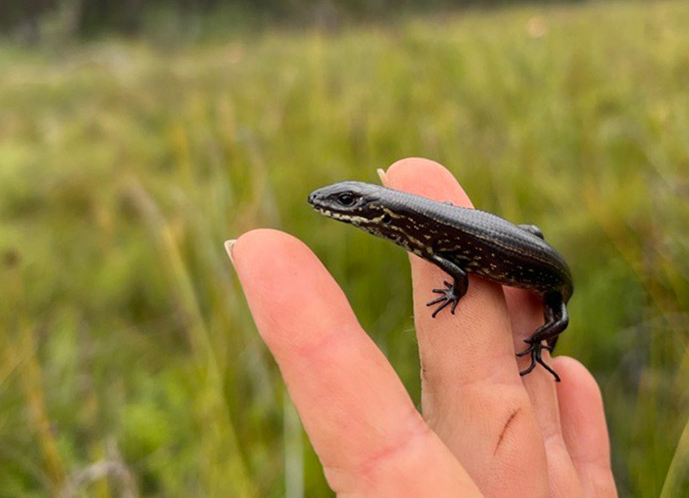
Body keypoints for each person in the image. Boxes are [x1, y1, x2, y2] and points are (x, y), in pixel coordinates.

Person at [225, 158, 617, 496]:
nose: (333, 204)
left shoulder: (427, 239)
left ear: (380, 212)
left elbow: (458, 273)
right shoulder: (420, 227)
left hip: (548, 278)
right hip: (525, 243)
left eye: (347, 201)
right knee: (529, 231)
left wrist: (533, 340)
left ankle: (536, 343)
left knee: (555, 317)